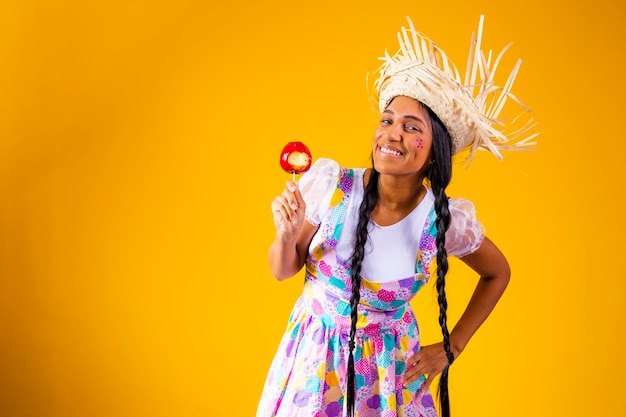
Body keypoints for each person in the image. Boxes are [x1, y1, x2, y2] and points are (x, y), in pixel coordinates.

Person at [257, 15, 537, 417]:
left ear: (433, 150)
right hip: (312, 366)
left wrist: (450, 348)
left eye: (410, 127)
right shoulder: (333, 186)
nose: (392, 133)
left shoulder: (441, 221)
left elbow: (498, 272)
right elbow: (283, 271)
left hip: (389, 382)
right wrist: (285, 235)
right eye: (387, 121)